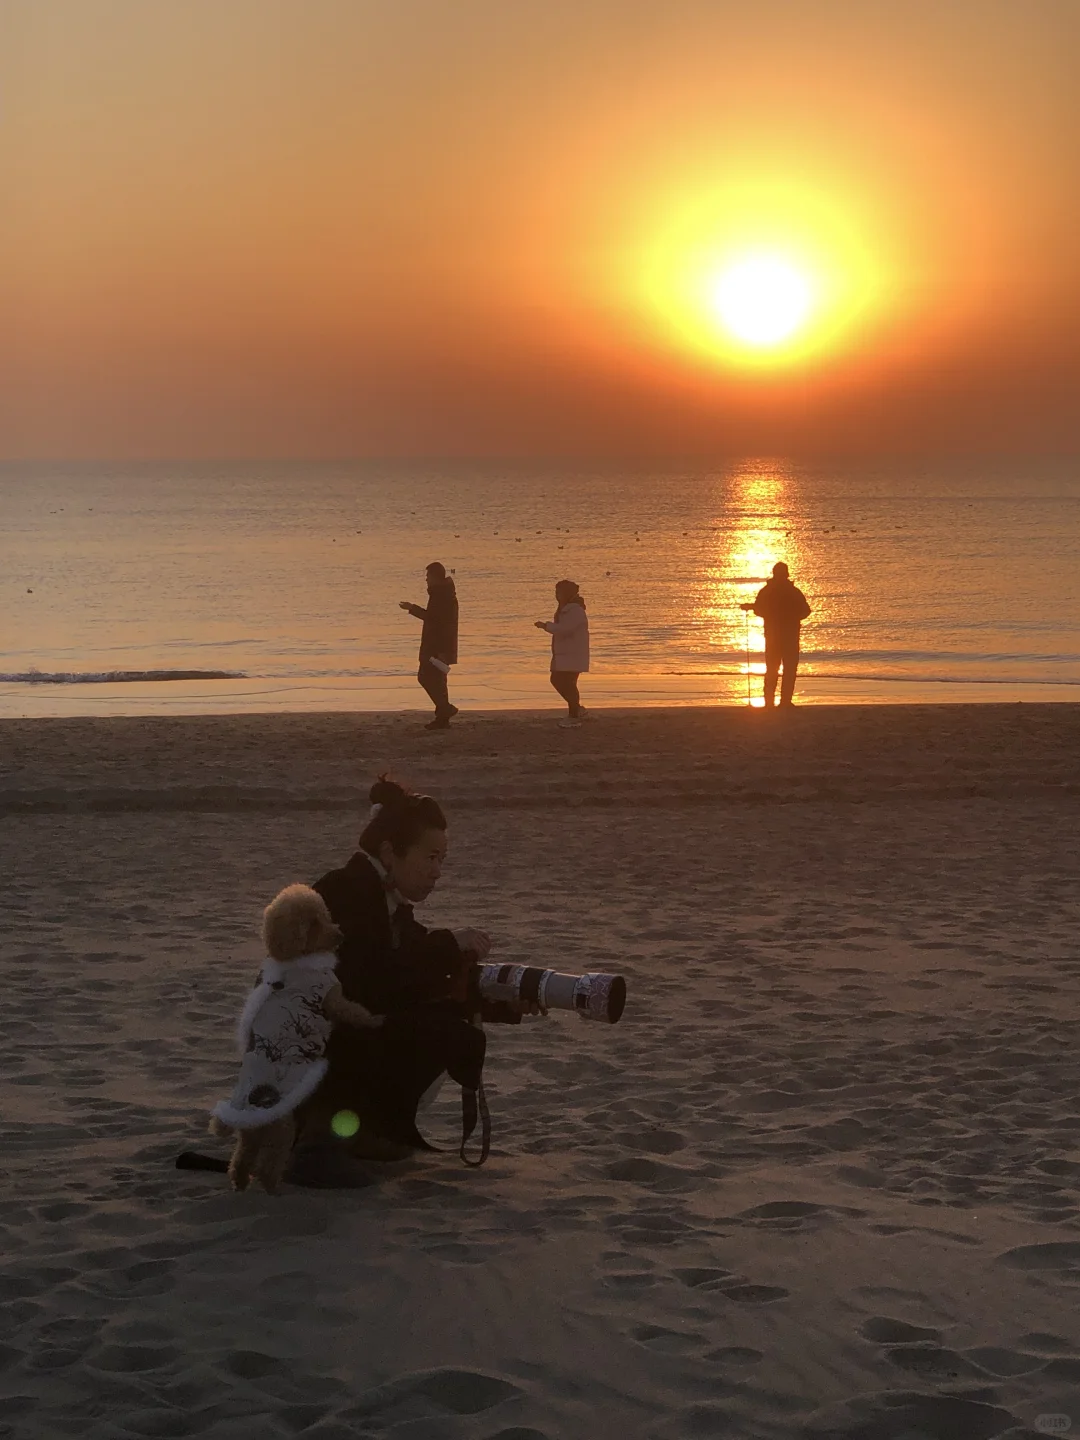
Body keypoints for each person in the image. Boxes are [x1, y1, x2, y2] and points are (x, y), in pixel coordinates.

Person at [287, 777, 544, 1187]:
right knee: (423, 1029)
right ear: (390, 853)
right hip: (295, 1051)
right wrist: (446, 944)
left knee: (446, 1028)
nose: (437, 872)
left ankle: (359, 1132)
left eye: (442, 860)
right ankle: (320, 1143)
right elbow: (367, 984)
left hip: (319, 1044)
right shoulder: (346, 891)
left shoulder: (386, 903)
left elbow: (414, 980)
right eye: (430, 858)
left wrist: (502, 1001)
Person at [399, 562, 459, 730]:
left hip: (437, 645)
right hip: (438, 644)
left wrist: (412, 608)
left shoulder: (442, 595)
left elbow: (436, 620)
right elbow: (437, 619)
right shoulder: (444, 593)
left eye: (428, 577)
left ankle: (445, 710)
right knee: (438, 681)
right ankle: (443, 718)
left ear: (434, 577)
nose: (426, 580)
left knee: (426, 677)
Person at [749, 561, 811, 707]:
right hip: (789, 635)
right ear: (786, 574)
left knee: (772, 669)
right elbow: (806, 611)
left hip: (773, 636)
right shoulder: (793, 591)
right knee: (788, 669)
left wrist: (769, 616)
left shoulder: (767, 590)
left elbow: (758, 609)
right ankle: (785, 702)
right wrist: (793, 618)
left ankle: (770, 703)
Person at [534, 579, 590, 728]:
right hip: (565, 653)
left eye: (559, 592)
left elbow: (565, 629)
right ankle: (576, 710)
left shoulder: (575, 610)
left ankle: (574, 715)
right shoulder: (566, 609)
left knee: (565, 682)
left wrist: (546, 626)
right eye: (556, 592)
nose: (556, 595)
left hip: (573, 653)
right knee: (562, 681)